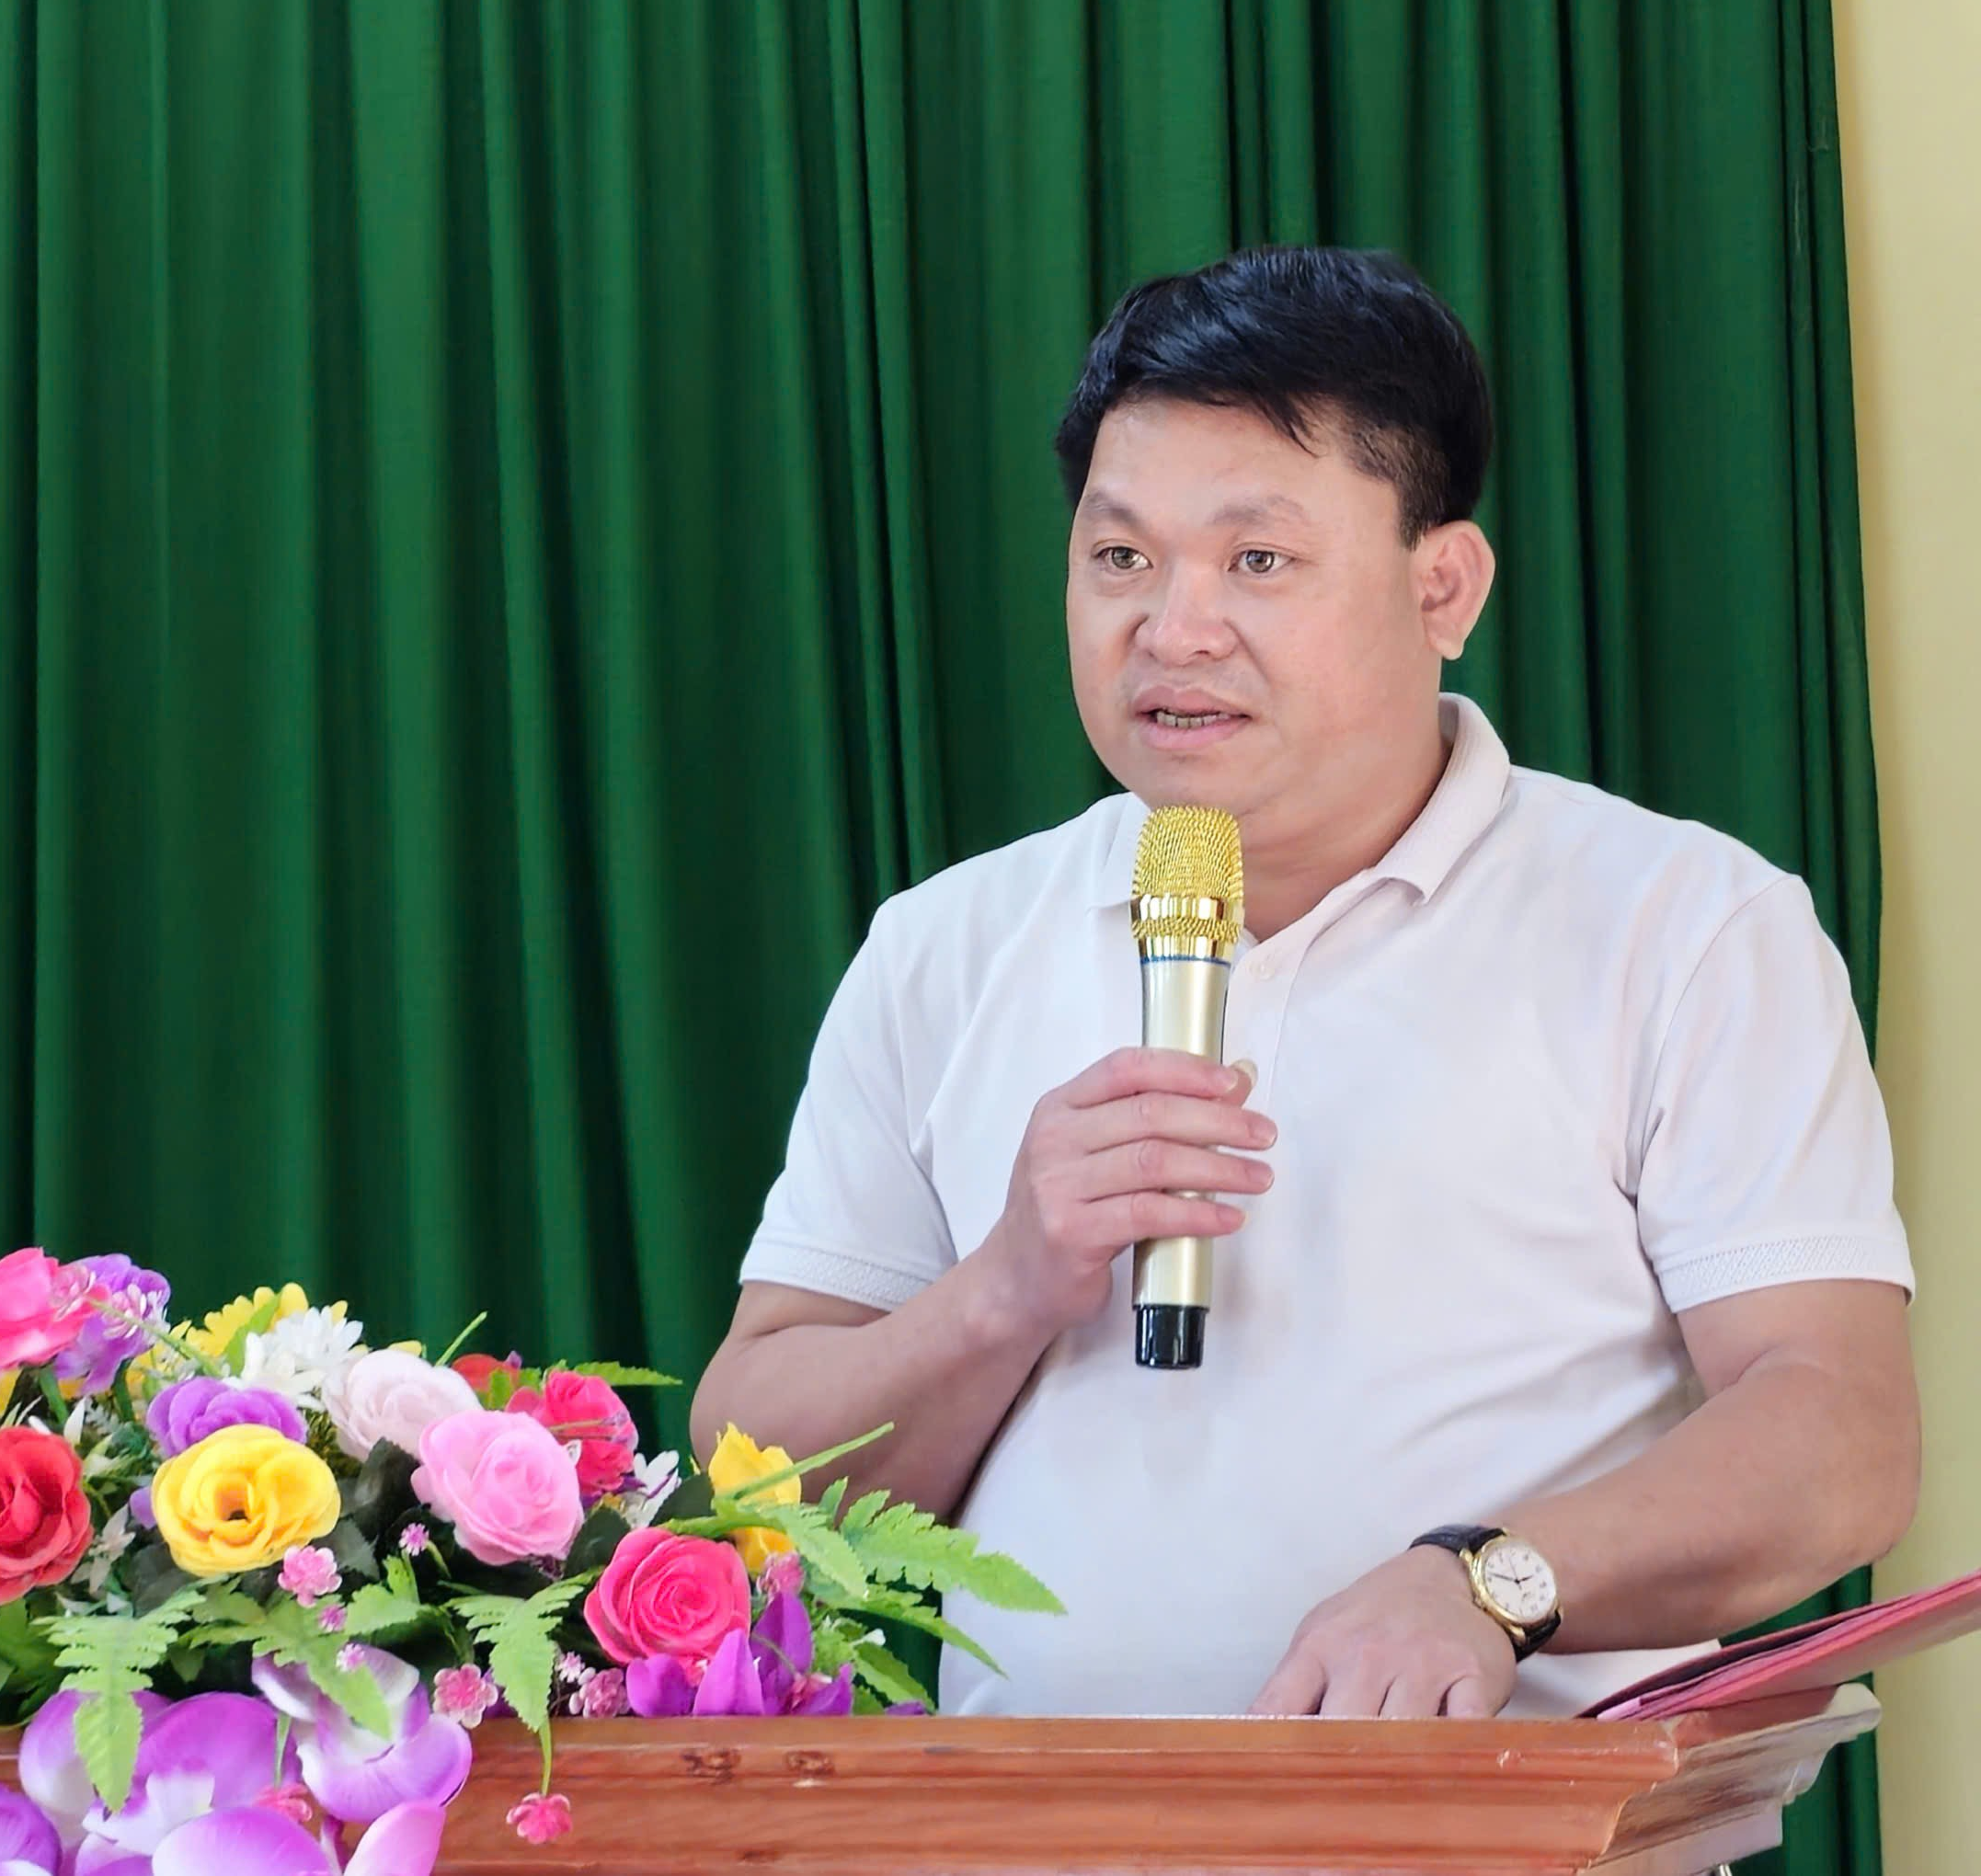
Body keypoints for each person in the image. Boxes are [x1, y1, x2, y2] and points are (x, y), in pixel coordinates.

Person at [689, 246, 1919, 1720]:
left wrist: (1491, 1578)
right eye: (1120, 557)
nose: (1173, 628)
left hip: (1508, 1821)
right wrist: (1001, 1289)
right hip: (1033, 1821)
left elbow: (1839, 1434)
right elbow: (754, 1461)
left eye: (1257, 561)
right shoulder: (944, 943)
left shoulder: (1684, 924)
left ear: (1443, 586)